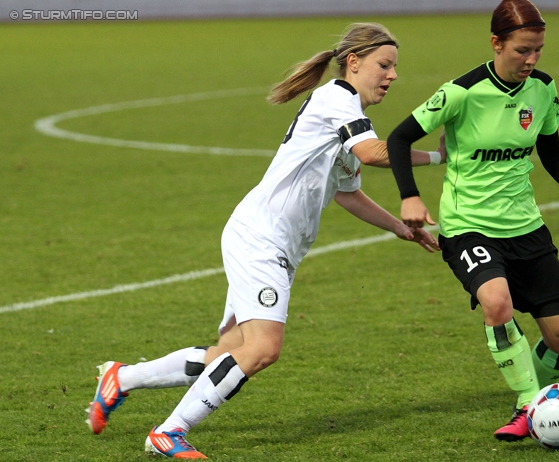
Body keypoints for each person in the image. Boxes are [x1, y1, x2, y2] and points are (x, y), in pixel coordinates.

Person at [86, 23, 446, 459]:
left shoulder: (346, 115)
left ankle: (122, 379)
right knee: (261, 349)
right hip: (261, 239)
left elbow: (348, 192)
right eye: (384, 65)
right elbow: (375, 153)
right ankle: (169, 433)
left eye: (394, 67)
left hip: (268, 241)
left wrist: (401, 228)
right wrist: (442, 155)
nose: (391, 76)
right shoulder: (338, 98)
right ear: (354, 63)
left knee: (229, 350)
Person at [386, 0, 559, 442]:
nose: (532, 60)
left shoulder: (543, 89)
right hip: (468, 225)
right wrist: (410, 196)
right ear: (496, 43)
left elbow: (551, 150)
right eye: (523, 50)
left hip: (525, 226)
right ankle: (528, 404)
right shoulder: (461, 92)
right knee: (497, 303)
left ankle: (536, 400)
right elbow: (399, 136)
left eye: (538, 50)